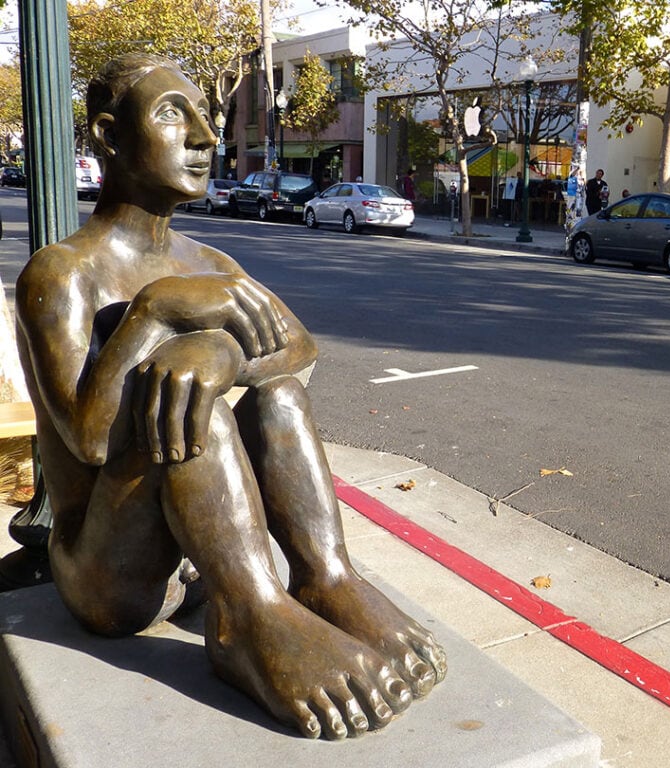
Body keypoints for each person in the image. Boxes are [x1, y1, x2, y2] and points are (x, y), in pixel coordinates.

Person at [15, 54, 446, 740]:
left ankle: (326, 577)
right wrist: (153, 315)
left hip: (198, 561)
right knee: (191, 403)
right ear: (108, 134)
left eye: (206, 119)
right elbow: (90, 439)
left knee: (276, 395)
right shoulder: (62, 272)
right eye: (169, 114)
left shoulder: (210, 264)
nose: (204, 137)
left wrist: (219, 349)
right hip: (108, 573)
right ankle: (248, 617)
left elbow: (297, 345)